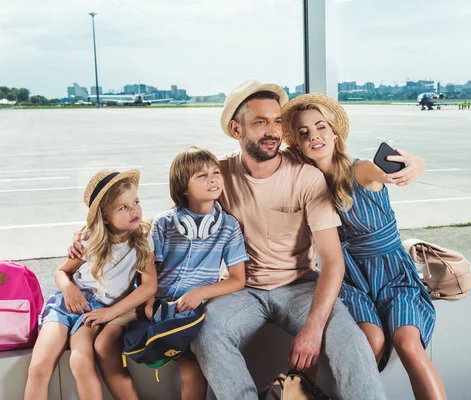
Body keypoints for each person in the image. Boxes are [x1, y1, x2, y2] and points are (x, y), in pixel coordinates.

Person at [190, 80, 387, 399]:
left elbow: (333, 261)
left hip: (300, 285)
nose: (272, 130)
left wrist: (312, 330)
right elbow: (180, 219)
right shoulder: (218, 174)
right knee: (207, 334)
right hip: (243, 289)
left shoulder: (307, 177)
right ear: (237, 130)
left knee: (351, 341)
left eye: (277, 120)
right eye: (259, 122)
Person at [281, 93, 447, 400]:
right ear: (298, 146)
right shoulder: (308, 183)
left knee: (409, 345)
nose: (314, 136)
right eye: (304, 133)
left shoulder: (360, 171)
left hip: (393, 273)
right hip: (351, 280)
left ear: (334, 132)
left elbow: (393, 168)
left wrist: (416, 164)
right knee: (369, 342)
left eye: (320, 127)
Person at [26, 169, 157, 400]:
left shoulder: (143, 241)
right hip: (65, 302)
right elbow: (61, 272)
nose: (134, 210)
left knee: (80, 360)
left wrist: (110, 313)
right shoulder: (89, 240)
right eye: (123, 207)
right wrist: (68, 289)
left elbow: (149, 286)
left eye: (135, 202)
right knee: (39, 365)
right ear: (105, 217)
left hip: (95, 310)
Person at [150, 146, 248, 400]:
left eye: (216, 172)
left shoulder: (228, 226)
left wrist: (200, 293)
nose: (213, 179)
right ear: (183, 187)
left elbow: (238, 279)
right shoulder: (164, 223)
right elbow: (147, 274)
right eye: (201, 176)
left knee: (193, 370)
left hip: (195, 309)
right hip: (158, 306)